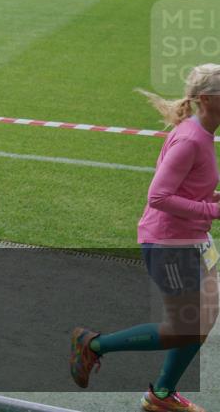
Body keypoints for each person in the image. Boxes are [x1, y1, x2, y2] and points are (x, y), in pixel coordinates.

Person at [70, 63, 220, 412]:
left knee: (204, 318)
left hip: (193, 240)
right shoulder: (190, 139)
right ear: (206, 99)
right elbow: (159, 197)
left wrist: (211, 200)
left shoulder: (201, 132)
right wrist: (214, 211)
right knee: (185, 329)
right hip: (170, 245)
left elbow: (186, 188)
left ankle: (161, 397)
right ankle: (93, 345)